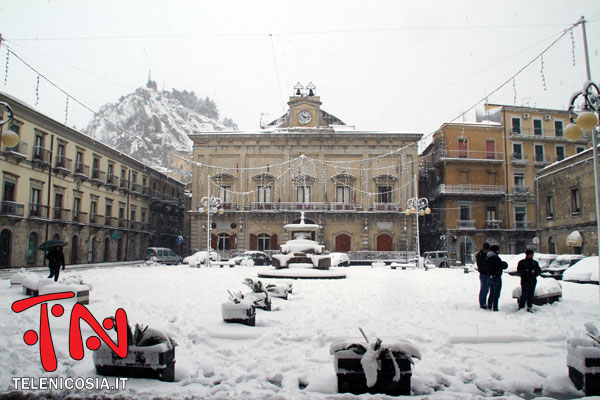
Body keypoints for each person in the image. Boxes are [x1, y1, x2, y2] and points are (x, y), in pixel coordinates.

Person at [484, 245, 508, 312]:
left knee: (491, 292)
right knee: (496, 293)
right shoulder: (495, 258)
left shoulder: (487, 257)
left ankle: (489, 305)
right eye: (497, 250)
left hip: (490, 277)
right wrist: (504, 264)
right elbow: (501, 266)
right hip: (496, 277)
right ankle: (495, 307)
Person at [476, 242, 491, 309]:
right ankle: (482, 303)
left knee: (486, 289)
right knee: (483, 289)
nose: (486, 251)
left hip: (487, 274)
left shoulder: (486, 255)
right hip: (483, 274)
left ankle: (483, 302)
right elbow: (481, 265)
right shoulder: (480, 255)